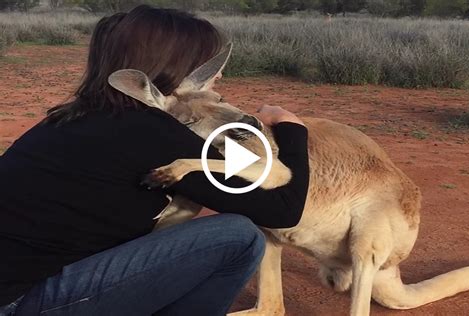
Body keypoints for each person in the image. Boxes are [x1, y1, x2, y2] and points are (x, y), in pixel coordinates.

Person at [0, 5, 309, 316]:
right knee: (240, 238)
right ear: (172, 70)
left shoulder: (74, 115)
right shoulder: (152, 133)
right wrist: (293, 128)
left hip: (21, 280)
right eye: (202, 64)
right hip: (20, 300)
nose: (216, 75)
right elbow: (284, 208)